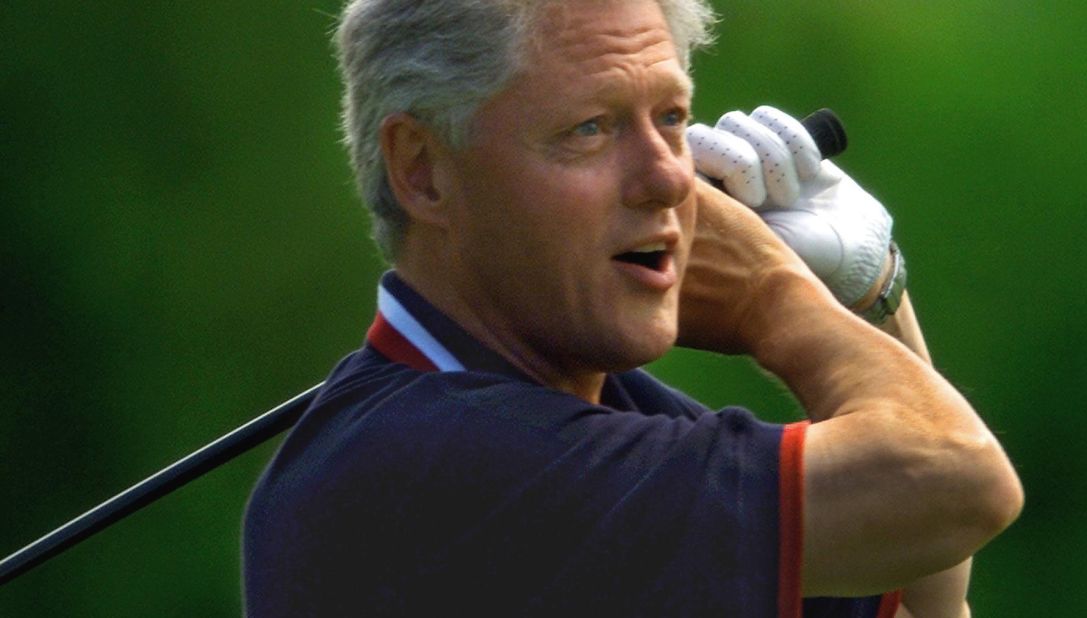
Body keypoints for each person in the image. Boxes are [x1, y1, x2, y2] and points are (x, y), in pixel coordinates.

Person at [243, 0, 1023, 615]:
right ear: (422, 171)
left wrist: (869, 295)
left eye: (673, 119)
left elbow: (930, 583)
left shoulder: (610, 412)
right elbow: (957, 484)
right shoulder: (417, 464)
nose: (669, 179)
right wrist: (770, 293)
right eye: (592, 127)